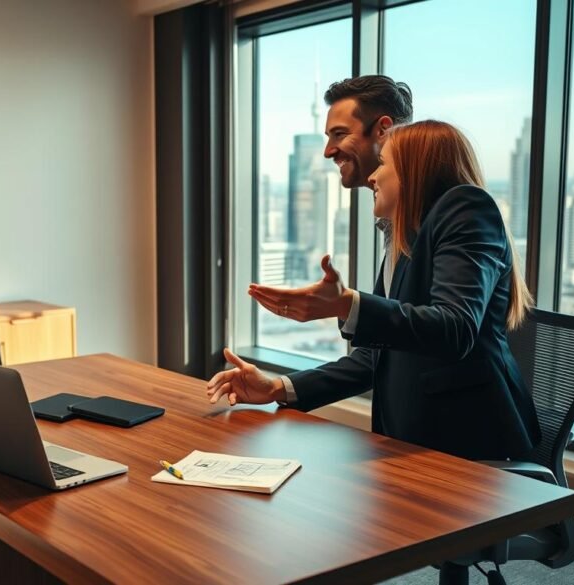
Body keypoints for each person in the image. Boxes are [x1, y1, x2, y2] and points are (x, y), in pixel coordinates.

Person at [207, 117, 541, 461]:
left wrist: (348, 304)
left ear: (416, 172)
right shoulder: (407, 238)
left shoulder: (465, 209)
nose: (372, 176)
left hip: (474, 450)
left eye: (383, 164)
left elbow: (455, 328)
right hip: (414, 447)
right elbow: (374, 358)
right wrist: (279, 388)